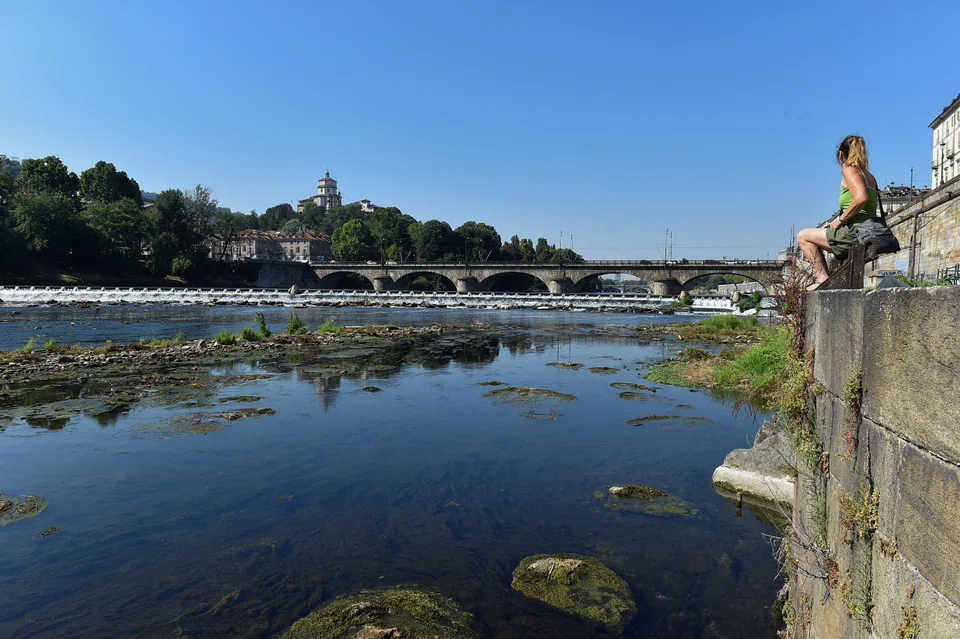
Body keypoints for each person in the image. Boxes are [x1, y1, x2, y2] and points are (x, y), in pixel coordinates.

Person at [796, 135, 879, 291]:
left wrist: (840, 220)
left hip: (854, 234)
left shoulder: (850, 170)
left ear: (841, 155)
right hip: (867, 232)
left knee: (803, 236)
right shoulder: (870, 176)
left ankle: (822, 280)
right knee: (816, 236)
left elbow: (861, 198)